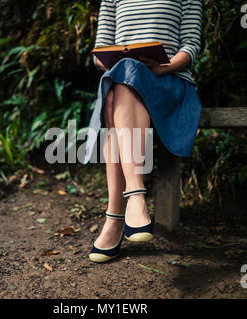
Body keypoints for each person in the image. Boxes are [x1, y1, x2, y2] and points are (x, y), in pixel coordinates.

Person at [85, 0, 204, 263]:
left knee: (119, 90)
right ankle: (134, 198)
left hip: (168, 81)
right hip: (123, 82)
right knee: (124, 77)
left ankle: (115, 217)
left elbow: (191, 45)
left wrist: (165, 66)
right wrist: (120, 61)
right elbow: (99, 53)